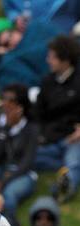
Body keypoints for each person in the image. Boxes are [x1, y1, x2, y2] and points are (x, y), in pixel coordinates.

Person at [0, 83, 38, 226]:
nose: (5, 103)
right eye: (4, 98)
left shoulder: (30, 129)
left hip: (21, 174)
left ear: (21, 105)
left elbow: (28, 161)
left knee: (9, 195)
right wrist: (6, 128)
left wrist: (5, 180)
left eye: (11, 100)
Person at [34, 35, 80, 203]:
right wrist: (39, 136)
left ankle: (65, 186)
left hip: (74, 138)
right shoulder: (47, 82)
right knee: (29, 155)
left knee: (74, 158)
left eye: (52, 57)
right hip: (50, 140)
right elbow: (38, 114)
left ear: (65, 60)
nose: (48, 60)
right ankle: (66, 171)